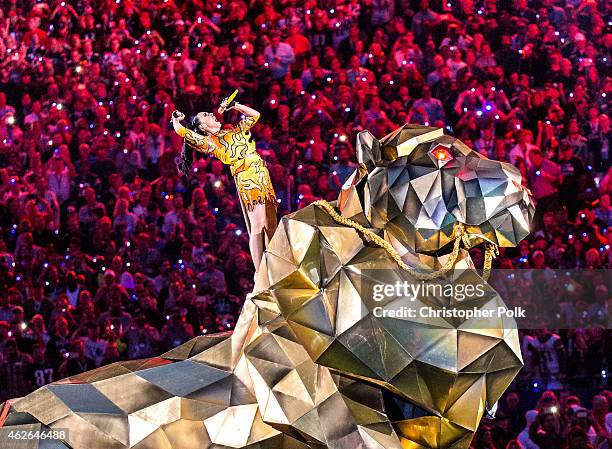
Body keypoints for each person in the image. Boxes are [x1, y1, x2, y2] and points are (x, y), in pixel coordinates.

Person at [172, 97, 277, 273]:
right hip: (247, 177)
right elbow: (183, 132)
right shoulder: (211, 142)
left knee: (271, 224)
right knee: (258, 224)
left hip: (261, 174)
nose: (210, 114)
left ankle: (274, 263)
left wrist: (234, 106)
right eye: (205, 115)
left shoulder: (231, 132)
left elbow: (255, 116)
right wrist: (176, 119)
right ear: (203, 127)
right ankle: (260, 272)